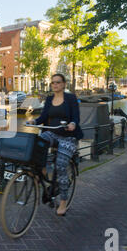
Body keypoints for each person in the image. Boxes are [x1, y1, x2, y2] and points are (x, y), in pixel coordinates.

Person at [27, 73, 83, 216]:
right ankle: (42, 171)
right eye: (53, 83)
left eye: (58, 82)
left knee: (61, 165)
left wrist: (72, 123)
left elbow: (76, 117)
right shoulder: (50, 99)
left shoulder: (70, 98)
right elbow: (43, 117)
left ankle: (63, 201)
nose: (55, 85)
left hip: (68, 136)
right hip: (52, 133)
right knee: (37, 145)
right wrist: (34, 121)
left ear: (64, 84)